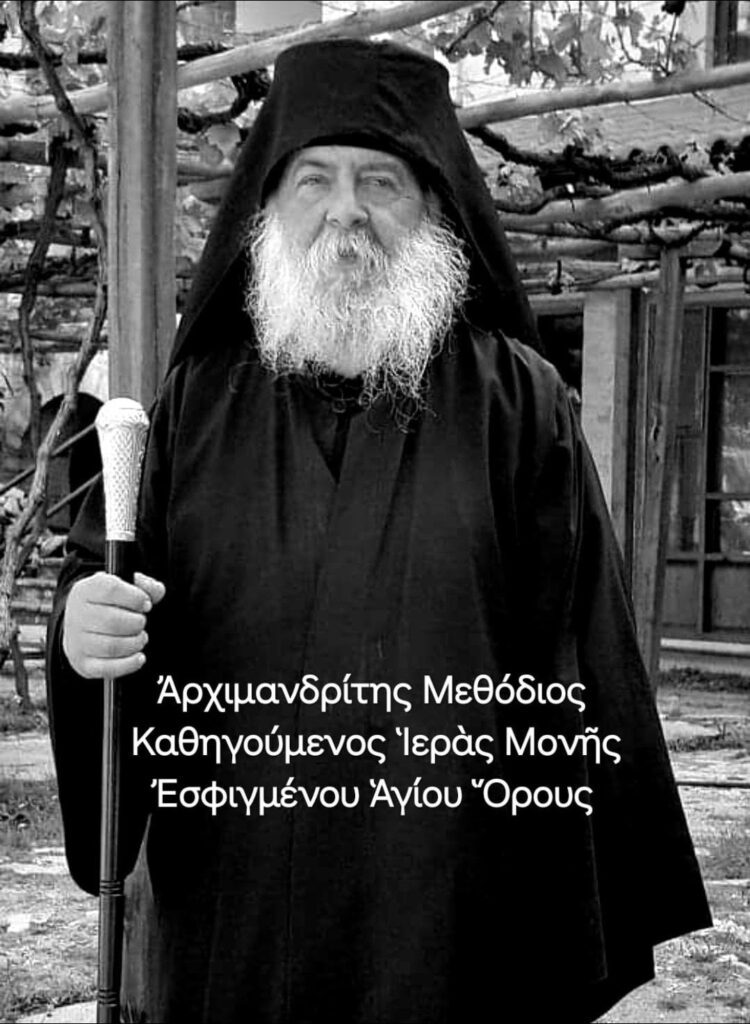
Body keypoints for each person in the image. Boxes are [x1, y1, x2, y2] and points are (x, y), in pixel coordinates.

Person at [46, 37, 711, 1024]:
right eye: (313, 179)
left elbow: (581, 659)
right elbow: (103, 588)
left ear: (436, 209)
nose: (346, 209)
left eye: (381, 182)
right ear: (268, 208)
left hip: (452, 909)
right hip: (236, 901)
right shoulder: (194, 403)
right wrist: (80, 631)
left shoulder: (519, 404)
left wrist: (572, 905)